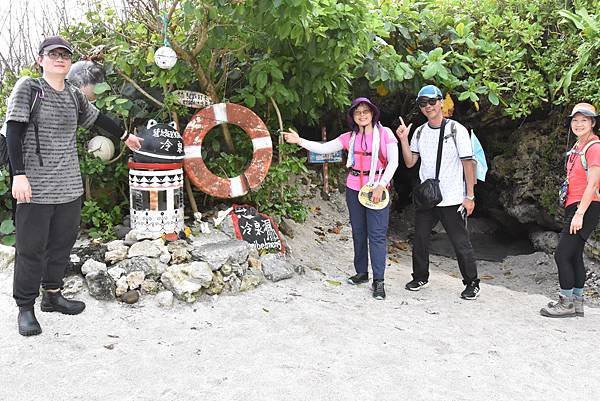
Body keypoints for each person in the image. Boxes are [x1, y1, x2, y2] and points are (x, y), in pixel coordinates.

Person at [5, 36, 143, 336]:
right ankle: (25, 308)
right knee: (31, 248)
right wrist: (18, 175)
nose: (60, 58)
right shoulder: (29, 88)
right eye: (53, 54)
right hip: (34, 186)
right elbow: (13, 133)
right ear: (41, 59)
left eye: (65, 54)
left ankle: (52, 296)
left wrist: (124, 137)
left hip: (69, 186)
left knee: (61, 244)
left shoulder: (73, 94)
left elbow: (98, 119)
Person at [284, 97, 398, 300]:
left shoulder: (385, 134)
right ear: (353, 117)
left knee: (377, 234)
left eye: (366, 111)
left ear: (373, 114)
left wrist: (382, 185)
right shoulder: (349, 137)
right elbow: (324, 148)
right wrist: (299, 141)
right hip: (355, 187)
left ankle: (379, 280)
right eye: (358, 112)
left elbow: (394, 162)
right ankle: (362, 272)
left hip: (377, 188)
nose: (362, 115)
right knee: (359, 231)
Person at [396, 85, 480, 299]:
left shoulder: (456, 130)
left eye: (432, 102)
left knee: (460, 241)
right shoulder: (421, 132)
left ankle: (472, 283)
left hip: (452, 197)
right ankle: (420, 277)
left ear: (441, 102)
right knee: (420, 239)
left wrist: (469, 196)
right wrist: (404, 139)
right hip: (428, 196)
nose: (428, 107)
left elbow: (468, 164)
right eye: (423, 103)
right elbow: (410, 162)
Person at [540, 103, 600, 318]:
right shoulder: (578, 146)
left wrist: (580, 213)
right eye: (575, 120)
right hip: (575, 205)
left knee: (562, 255)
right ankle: (577, 302)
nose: (579, 124)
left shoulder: (594, 148)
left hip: (585, 206)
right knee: (574, 256)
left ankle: (566, 302)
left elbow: (593, 183)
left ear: (592, 123)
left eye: (584, 120)